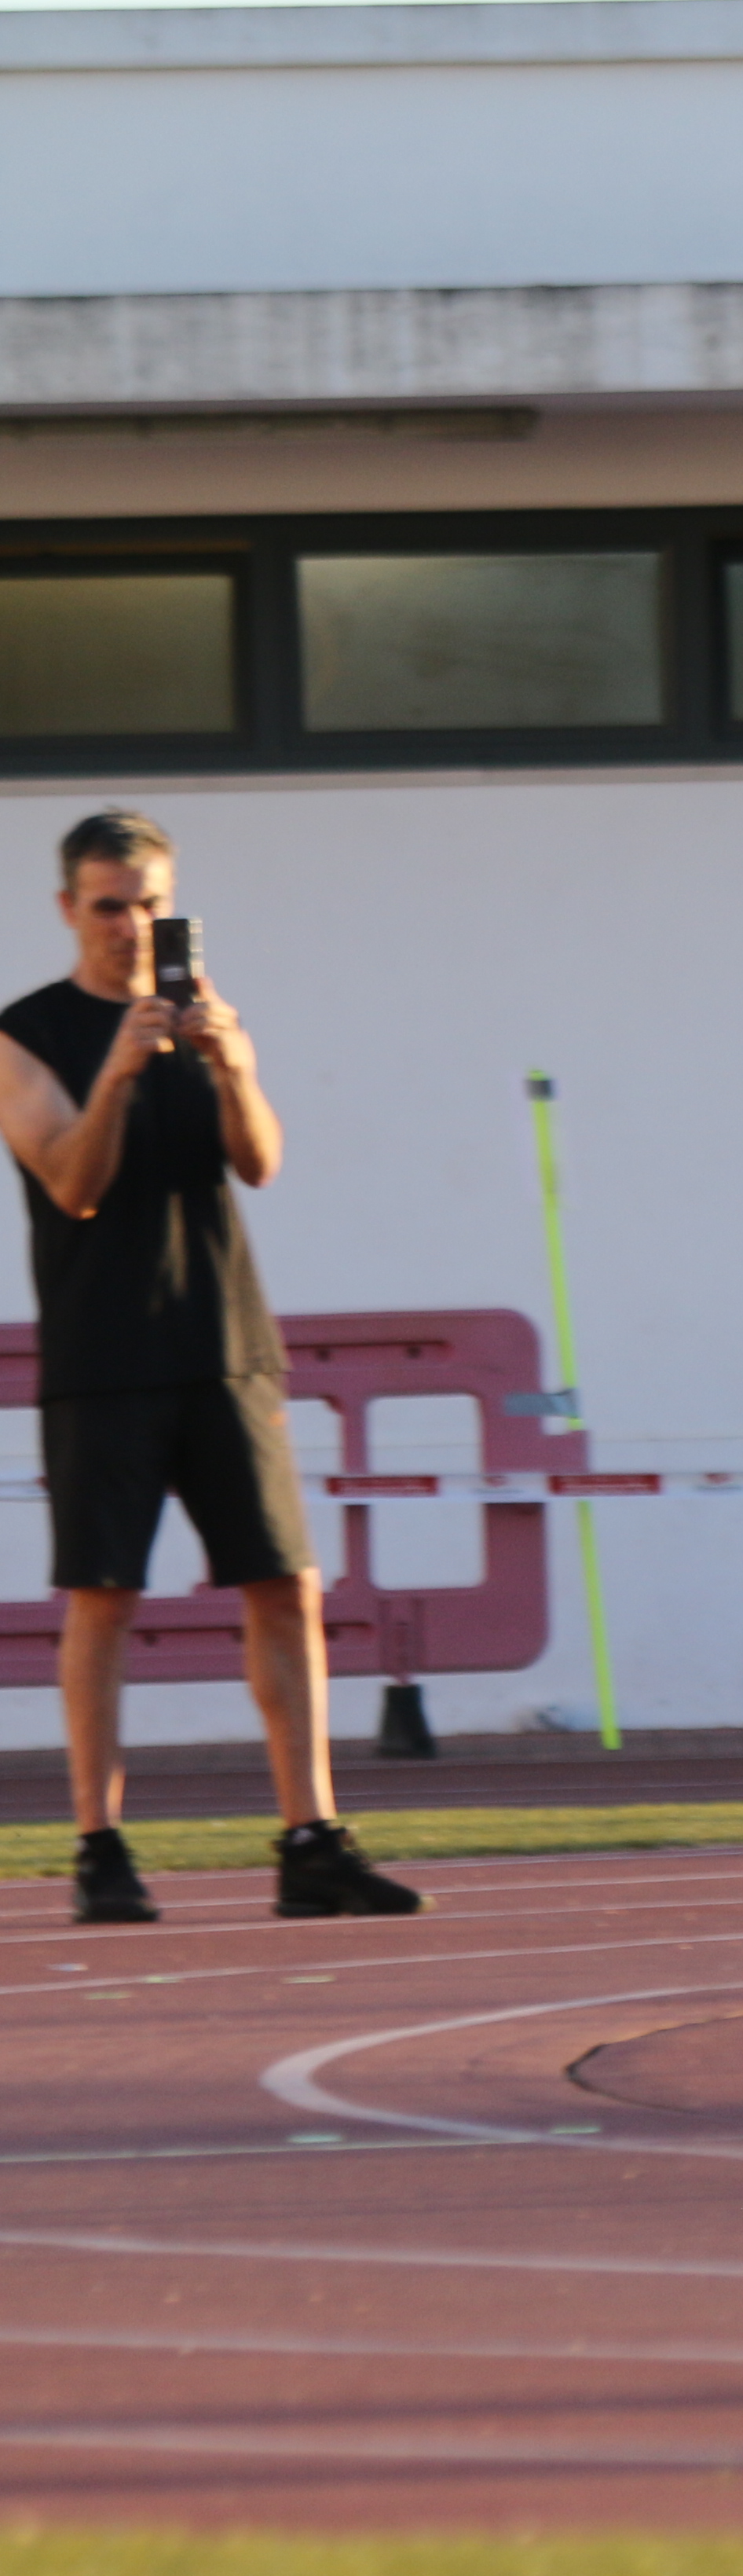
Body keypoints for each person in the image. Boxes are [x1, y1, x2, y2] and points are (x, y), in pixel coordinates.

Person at [0, 811, 423, 1925]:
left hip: (225, 1342)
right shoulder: (28, 1034)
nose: (131, 926)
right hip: (104, 1355)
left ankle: (311, 1840)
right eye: (108, 905)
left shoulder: (202, 1016)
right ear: (67, 911)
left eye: (149, 903)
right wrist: (122, 1074)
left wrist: (231, 1064)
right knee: (104, 1600)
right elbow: (72, 1183)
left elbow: (261, 1163)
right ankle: (100, 1848)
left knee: (285, 1585)